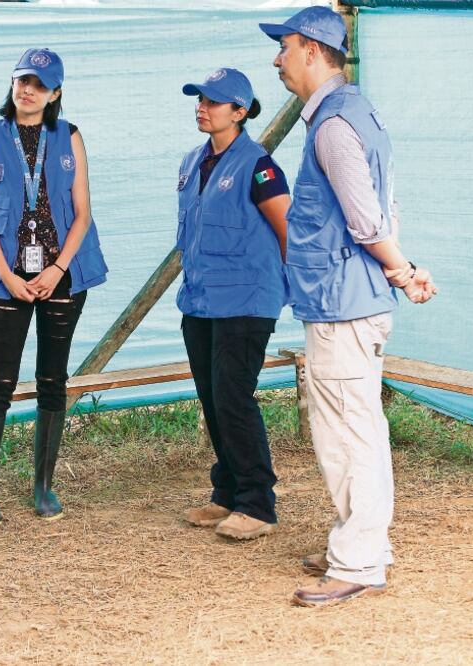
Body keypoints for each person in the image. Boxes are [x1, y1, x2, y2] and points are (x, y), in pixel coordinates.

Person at [259, 8, 437, 606]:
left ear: (312, 50)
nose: (277, 60)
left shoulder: (333, 125)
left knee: (350, 433)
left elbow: (365, 219)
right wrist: (402, 268)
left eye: (283, 48)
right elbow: (385, 206)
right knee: (346, 427)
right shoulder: (356, 113)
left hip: (344, 305)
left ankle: (358, 563)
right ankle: (357, 543)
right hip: (346, 300)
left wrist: (401, 269)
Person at [0, 48, 108, 526]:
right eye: (22, 80)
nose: (27, 90)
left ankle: (43, 485)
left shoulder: (69, 136)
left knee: (53, 378)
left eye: (39, 85)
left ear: (55, 94)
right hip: (7, 277)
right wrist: (7, 276)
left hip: (62, 274)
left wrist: (56, 269)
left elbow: (83, 212)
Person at [176, 68, 291, 541]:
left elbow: (287, 229)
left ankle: (257, 504)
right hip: (201, 300)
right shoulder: (191, 161)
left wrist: (294, 291)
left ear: (240, 112)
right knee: (212, 397)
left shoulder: (258, 165)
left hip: (246, 299)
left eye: (214, 102)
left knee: (233, 396)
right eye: (200, 99)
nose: (202, 107)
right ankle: (226, 492)